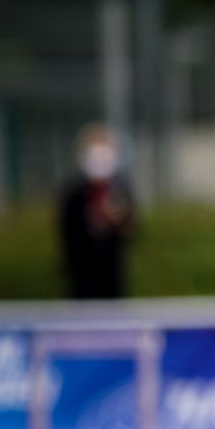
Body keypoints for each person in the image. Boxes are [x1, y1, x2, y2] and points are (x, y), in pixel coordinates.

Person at [58, 123, 136, 300]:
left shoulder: (121, 188)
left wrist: (118, 221)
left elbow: (132, 232)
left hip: (113, 277)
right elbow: (66, 234)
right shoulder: (73, 191)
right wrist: (91, 222)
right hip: (81, 277)